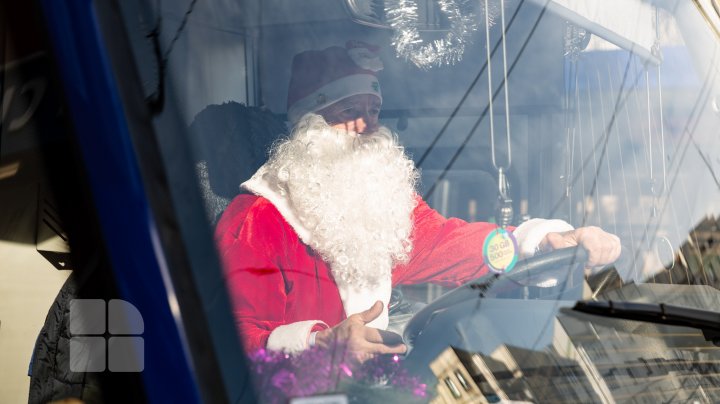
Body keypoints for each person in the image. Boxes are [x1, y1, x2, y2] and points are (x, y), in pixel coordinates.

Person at [214, 41, 621, 359]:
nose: (367, 124)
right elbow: (226, 344)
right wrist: (319, 344)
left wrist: (536, 242)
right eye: (349, 109)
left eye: (374, 109)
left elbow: (452, 245)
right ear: (308, 123)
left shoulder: (375, 206)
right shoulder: (255, 221)